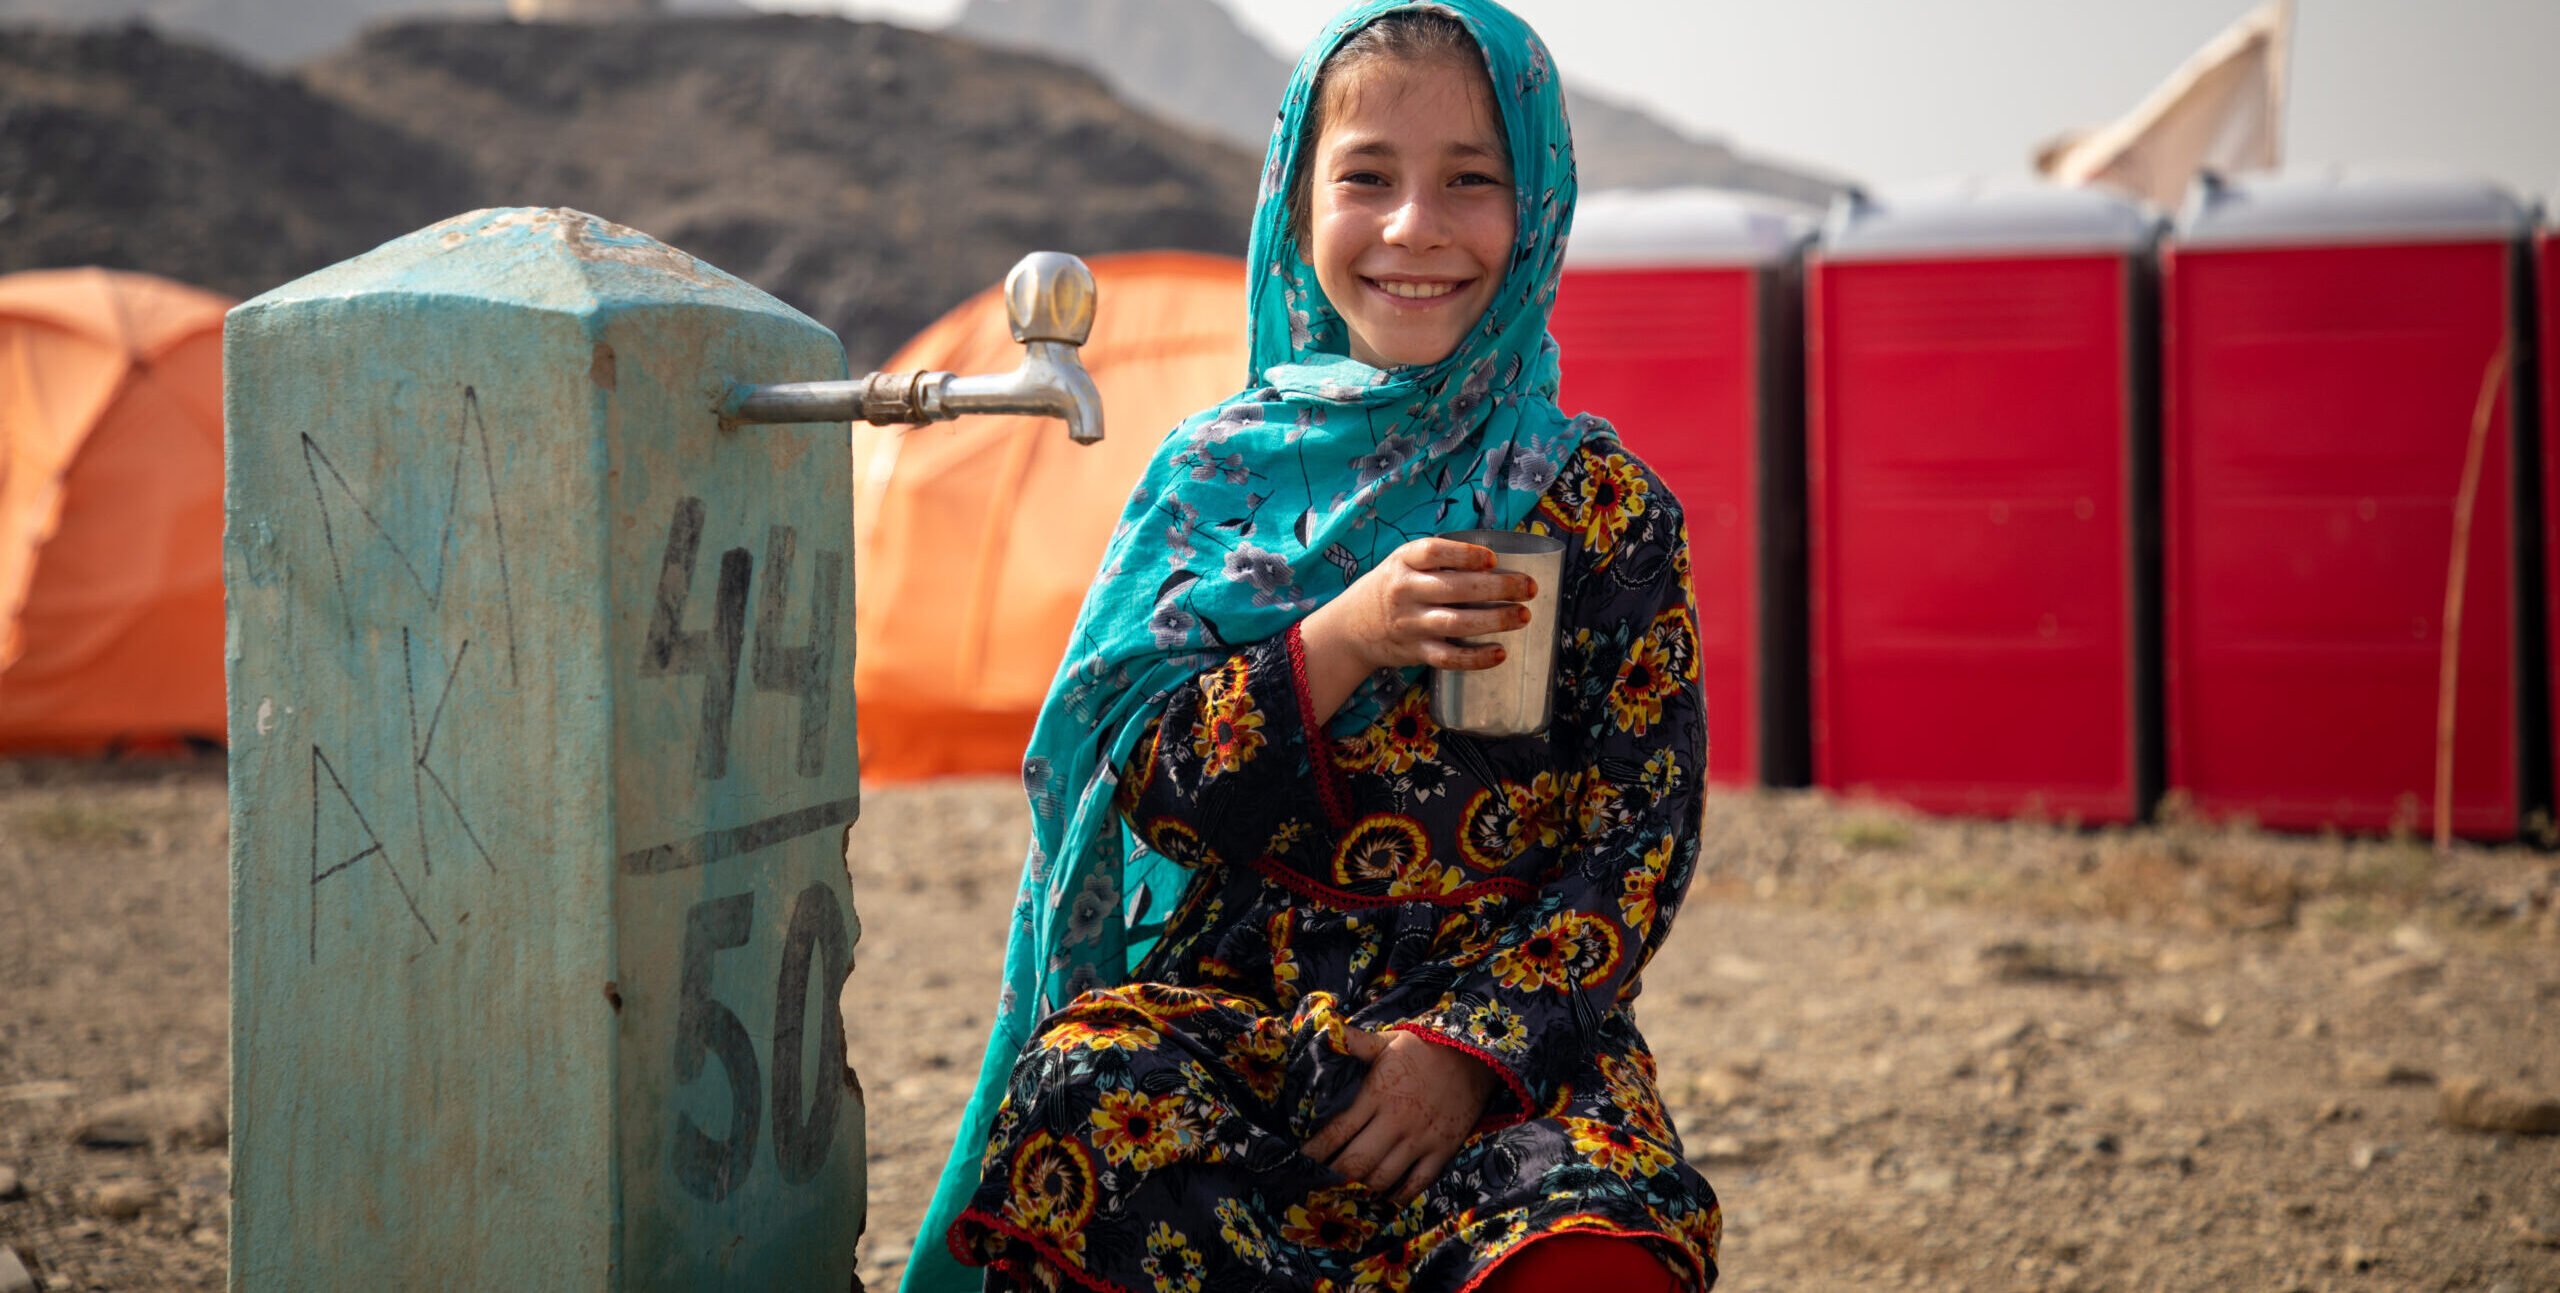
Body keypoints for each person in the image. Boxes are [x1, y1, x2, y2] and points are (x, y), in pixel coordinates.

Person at [904, 2, 1719, 1289]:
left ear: (1540, 208)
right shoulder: (1215, 484)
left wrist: (1462, 1055)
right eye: (1367, 180)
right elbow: (1138, 793)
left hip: (1507, 1047)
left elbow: (1638, 848)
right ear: (1294, 205)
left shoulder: (1603, 511)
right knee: (1084, 1101)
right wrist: (1340, 636)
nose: (1415, 228)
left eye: (1471, 180)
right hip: (1245, 1025)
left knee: (1594, 1242)